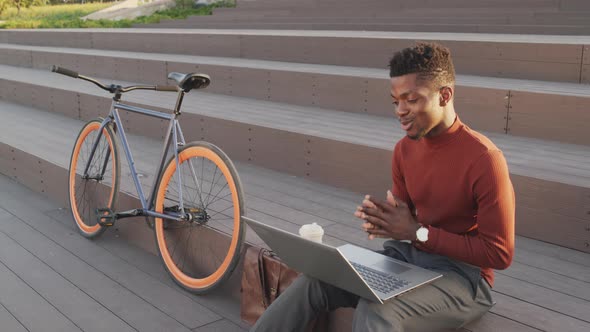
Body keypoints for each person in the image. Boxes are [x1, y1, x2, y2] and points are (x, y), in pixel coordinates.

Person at [250, 42, 515, 332]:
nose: (400, 111)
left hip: (464, 278)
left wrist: (417, 232)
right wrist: (385, 220)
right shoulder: (404, 150)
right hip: (408, 260)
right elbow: (406, 222)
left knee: (377, 308)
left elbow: (499, 254)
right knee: (318, 278)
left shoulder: (484, 160)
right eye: (395, 101)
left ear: (444, 95)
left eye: (411, 99)